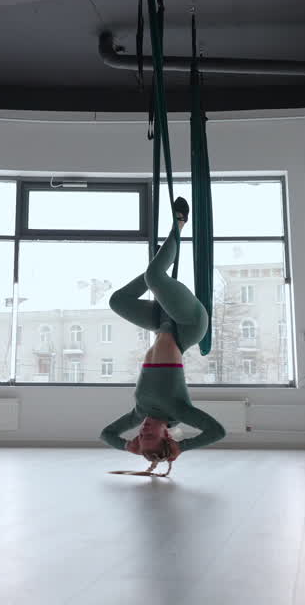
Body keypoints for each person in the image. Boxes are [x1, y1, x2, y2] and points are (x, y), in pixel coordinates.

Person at [100, 197, 226, 466]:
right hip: (188, 327)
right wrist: (183, 447)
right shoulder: (178, 412)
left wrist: (127, 447)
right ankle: (179, 225)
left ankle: (158, 265)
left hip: (160, 324)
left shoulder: (138, 413)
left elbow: (106, 434)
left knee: (117, 301)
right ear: (166, 435)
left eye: (140, 436)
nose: (143, 431)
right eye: (150, 436)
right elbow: (218, 432)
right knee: (155, 276)